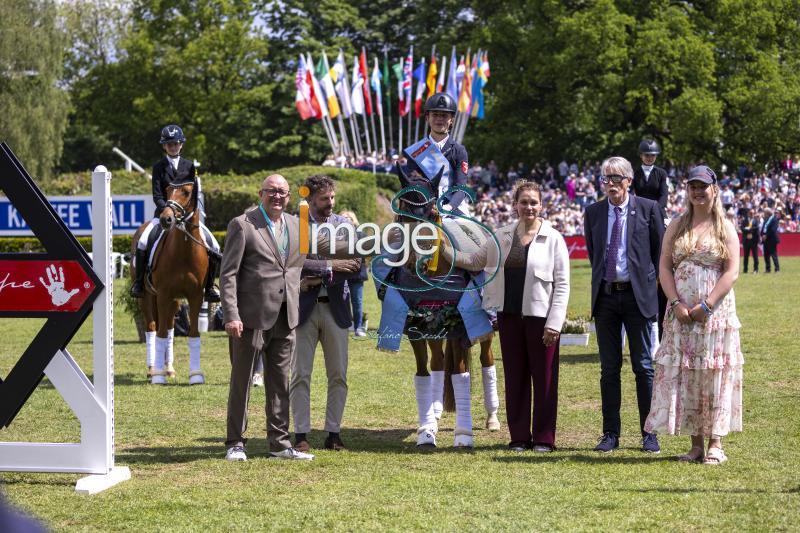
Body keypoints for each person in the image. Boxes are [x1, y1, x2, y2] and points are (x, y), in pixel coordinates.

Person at [220, 174, 354, 461]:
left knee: (280, 383)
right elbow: (228, 274)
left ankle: (279, 444)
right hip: (250, 317)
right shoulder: (242, 225)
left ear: (290, 196)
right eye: (271, 191)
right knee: (242, 381)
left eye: (282, 192)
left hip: (288, 314)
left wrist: (306, 282)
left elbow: (297, 266)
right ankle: (235, 442)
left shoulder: (296, 225)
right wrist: (232, 314)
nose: (277, 196)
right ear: (261, 193)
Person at [441, 180, 570, 452]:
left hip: (541, 319)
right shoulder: (501, 236)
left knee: (545, 380)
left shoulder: (554, 238)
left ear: (541, 205)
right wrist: (442, 248)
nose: (528, 207)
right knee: (515, 378)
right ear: (515, 205)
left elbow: (563, 285)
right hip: (508, 318)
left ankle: (544, 438)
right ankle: (520, 437)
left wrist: (554, 323)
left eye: (533, 202)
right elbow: (475, 261)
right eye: (523, 202)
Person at [645, 165, 743, 464]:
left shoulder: (724, 226)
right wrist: (676, 304)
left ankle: (716, 443)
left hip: (715, 316)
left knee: (715, 373)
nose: (698, 192)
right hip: (681, 314)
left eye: (703, 186)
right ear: (687, 190)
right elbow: (664, 265)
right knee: (687, 374)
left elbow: (732, 271)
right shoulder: (677, 224)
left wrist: (707, 305)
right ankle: (696, 444)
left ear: (714, 189)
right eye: (693, 186)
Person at [584, 156, 664, 454]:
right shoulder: (593, 212)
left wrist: (648, 287)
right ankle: (610, 434)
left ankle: (649, 433)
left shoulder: (648, 209)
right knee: (609, 369)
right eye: (606, 178)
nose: (611, 184)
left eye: (617, 178)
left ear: (629, 180)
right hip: (605, 297)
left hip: (637, 297)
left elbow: (658, 255)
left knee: (644, 367)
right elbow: (595, 255)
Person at [290, 175, 362, 453]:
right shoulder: (295, 226)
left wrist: (317, 270)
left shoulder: (343, 225)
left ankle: (334, 433)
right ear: (309, 199)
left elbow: (356, 263)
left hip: (336, 308)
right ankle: (301, 435)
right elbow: (291, 262)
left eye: (332, 198)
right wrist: (330, 267)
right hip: (303, 309)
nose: (330, 203)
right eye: (324, 199)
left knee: (338, 375)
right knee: (300, 375)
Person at [130, 124, 221, 302]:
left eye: (176, 143)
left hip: (187, 217)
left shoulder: (190, 167)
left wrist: (189, 212)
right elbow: (157, 194)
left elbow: (194, 193)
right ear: (164, 146)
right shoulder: (158, 167)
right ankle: (139, 283)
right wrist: (167, 209)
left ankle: (209, 286)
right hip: (164, 215)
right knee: (142, 241)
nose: (173, 147)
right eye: (169, 144)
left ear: (181, 145)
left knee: (215, 246)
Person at [404, 92, 469, 211]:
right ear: (427, 118)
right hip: (421, 208)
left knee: (468, 230)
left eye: (444, 115)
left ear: (452, 120)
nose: (439, 119)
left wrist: (448, 207)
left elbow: (461, 187)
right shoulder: (417, 151)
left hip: (452, 209)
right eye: (435, 115)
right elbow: (410, 184)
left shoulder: (459, 151)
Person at [632, 139, 669, 341]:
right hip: (637, 213)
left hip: (657, 213)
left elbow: (664, 195)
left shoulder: (661, 174)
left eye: (652, 155)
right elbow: (632, 194)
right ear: (641, 156)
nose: (649, 157)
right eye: (647, 155)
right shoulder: (635, 174)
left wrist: (655, 211)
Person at [340, 210, 369, 337]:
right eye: (342, 218)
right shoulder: (335, 235)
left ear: (353, 220)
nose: (346, 220)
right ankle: (344, 327)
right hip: (340, 274)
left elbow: (365, 254)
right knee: (342, 302)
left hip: (357, 275)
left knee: (357, 302)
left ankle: (358, 328)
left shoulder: (361, 234)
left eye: (348, 218)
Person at [761, 207, 781, 273]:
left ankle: (777, 269)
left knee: (773, 254)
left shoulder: (774, 219)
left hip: (771, 239)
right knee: (766, 255)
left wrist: (766, 235)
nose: (764, 214)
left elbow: (773, 230)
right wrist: (762, 235)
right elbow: (763, 229)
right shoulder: (766, 219)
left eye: (764, 213)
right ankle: (768, 269)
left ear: (767, 213)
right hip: (765, 240)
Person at [741, 208, 760, 274]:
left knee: (755, 256)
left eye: (753, 213)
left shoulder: (755, 221)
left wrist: (749, 229)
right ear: (748, 213)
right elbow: (742, 229)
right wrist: (749, 230)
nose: (751, 214)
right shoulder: (744, 220)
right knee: (746, 256)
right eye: (750, 213)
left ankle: (756, 269)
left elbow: (757, 228)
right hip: (746, 241)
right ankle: (745, 269)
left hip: (753, 241)